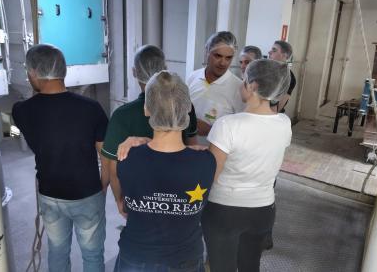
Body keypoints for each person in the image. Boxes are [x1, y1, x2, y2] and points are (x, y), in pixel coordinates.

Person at [12, 44, 108, 272]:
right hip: (87, 193)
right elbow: (105, 157)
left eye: (28, 72)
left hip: (50, 194)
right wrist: (102, 188)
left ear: (34, 73)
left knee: (57, 251)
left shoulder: (21, 111)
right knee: (93, 255)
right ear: (62, 70)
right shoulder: (92, 109)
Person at [113, 71, 216, 271]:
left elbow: (125, 205)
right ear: (187, 110)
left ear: (146, 109)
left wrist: (142, 141)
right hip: (186, 260)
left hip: (136, 257)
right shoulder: (206, 162)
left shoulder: (126, 157)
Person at [202, 59, 292, 272]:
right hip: (263, 210)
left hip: (225, 210)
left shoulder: (228, 125)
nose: (240, 86)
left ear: (253, 86)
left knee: (222, 267)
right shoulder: (284, 124)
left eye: (243, 82)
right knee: (250, 265)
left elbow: (210, 175)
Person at [101, 45, 198, 215]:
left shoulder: (122, 115)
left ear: (134, 72)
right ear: (165, 70)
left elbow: (112, 168)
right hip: (178, 192)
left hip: (138, 197)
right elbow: (192, 147)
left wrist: (119, 199)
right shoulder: (184, 107)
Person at [186, 31, 244, 139]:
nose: (223, 63)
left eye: (228, 58)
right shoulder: (192, 77)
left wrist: (210, 130)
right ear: (207, 51)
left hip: (215, 154)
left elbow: (241, 132)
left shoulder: (238, 88)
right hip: (186, 149)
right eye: (218, 56)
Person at [268, 40, 296, 113]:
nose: (269, 52)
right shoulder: (267, 70)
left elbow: (279, 107)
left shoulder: (289, 77)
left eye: (274, 50)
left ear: (284, 55)